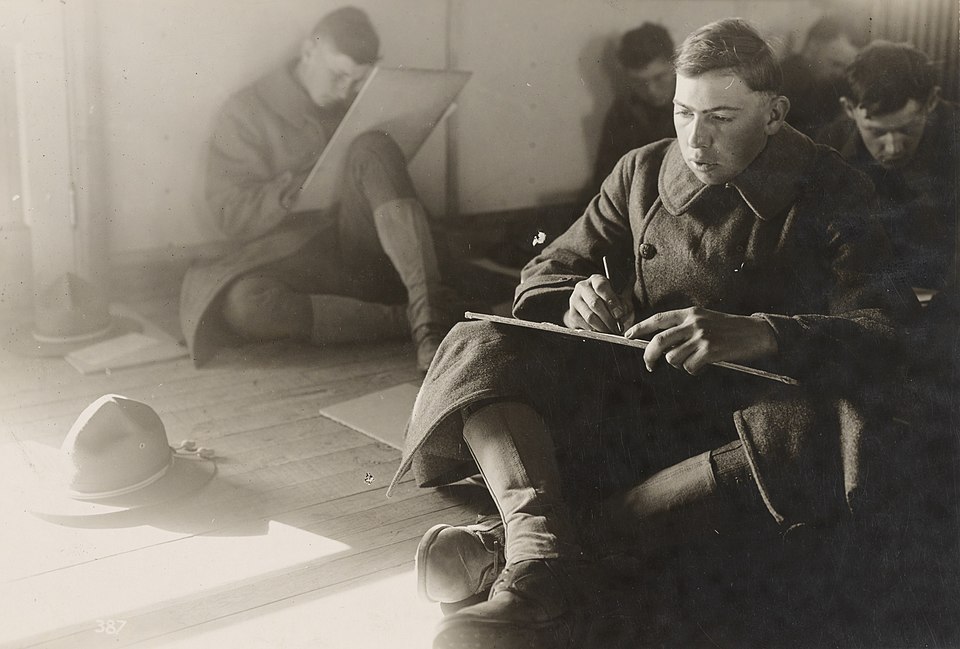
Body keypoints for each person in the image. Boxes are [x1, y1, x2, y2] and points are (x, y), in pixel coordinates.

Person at [390, 18, 917, 648]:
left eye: (722, 117)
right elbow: (547, 268)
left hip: (740, 426)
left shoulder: (836, 189)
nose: (696, 138)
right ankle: (541, 557)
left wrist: (761, 333)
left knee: (820, 429)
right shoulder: (642, 171)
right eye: (684, 112)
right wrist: (574, 298)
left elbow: (888, 332)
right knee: (482, 340)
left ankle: (531, 557)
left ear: (775, 114)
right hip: (637, 398)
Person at [179, 6, 452, 371]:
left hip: (358, 247)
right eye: (339, 75)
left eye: (356, 82)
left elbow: (381, 179)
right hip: (292, 259)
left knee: (374, 145)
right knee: (245, 306)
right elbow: (230, 215)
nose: (345, 92)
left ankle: (427, 324)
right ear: (309, 51)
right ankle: (420, 319)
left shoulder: (355, 101)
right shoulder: (245, 111)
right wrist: (291, 189)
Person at [817, 41, 959, 294]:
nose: (893, 148)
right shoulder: (827, 148)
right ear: (849, 109)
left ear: (932, 101)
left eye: (907, 128)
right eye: (877, 132)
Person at [589, 23, 677, 193]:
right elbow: (604, 178)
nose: (651, 90)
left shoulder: (697, 102)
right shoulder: (621, 112)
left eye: (659, 77)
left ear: (674, 66)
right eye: (639, 82)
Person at [780, 14, 864, 136]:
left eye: (845, 68)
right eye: (835, 63)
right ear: (813, 47)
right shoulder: (782, 77)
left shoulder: (835, 82)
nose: (840, 73)